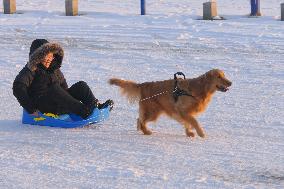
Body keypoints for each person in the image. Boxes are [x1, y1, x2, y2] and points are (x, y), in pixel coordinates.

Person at [13, 39, 114, 119]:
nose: (49, 59)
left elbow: (64, 89)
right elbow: (18, 87)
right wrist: (31, 109)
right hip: (43, 107)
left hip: (58, 103)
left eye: (50, 56)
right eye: (45, 56)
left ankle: (95, 106)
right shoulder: (31, 69)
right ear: (37, 57)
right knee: (54, 89)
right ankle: (84, 111)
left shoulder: (54, 69)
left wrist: (69, 99)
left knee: (81, 85)